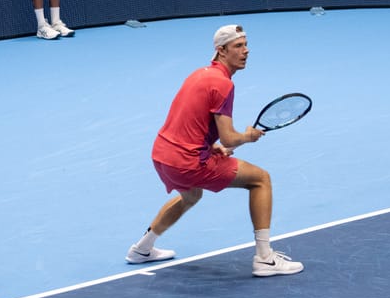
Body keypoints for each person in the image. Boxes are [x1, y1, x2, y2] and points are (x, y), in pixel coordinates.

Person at [125, 24, 304, 277]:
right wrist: (249, 136)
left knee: (191, 196)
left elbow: (189, 120)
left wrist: (210, 146)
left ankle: (141, 249)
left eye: (246, 44)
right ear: (221, 51)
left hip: (162, 155)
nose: (246, 51)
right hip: (188, 162)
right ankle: (265, 259)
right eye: (238, 46)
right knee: (261, 179)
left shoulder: (199, 75)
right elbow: (230, 138)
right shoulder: (223, 85)